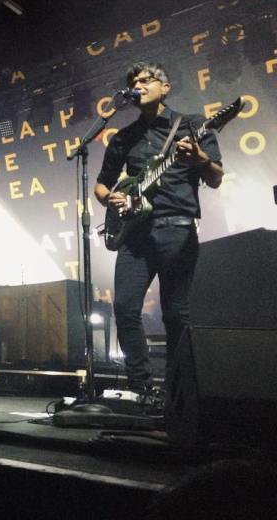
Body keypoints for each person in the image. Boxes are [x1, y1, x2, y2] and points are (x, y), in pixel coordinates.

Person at [94, 62, 224, 398]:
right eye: (133, 82)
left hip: (176, 229)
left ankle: (177, 393)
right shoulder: (124, 137)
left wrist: (198, 156)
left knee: (175, 313)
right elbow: (101, 186)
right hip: (135, 236)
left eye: (145, 80)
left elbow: (215, 177)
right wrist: (113, 200)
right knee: (124, 308)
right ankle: (141, 389)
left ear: (165, 87)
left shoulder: (193, 125)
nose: (138, 84)